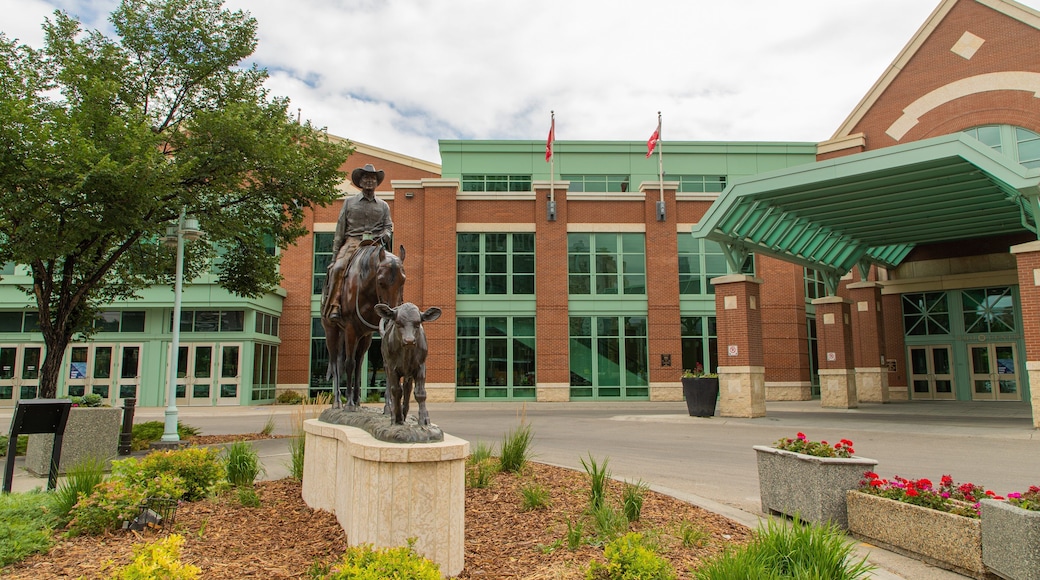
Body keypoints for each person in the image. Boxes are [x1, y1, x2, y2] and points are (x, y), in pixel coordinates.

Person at [322, 163, 394, 321]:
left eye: (373, 178)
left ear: (376, 183)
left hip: (374, 244)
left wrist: (386, 234)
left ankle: (392, 306)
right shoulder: (349, 202)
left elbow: (388, 226)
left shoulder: (383, 206)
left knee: (391, 268)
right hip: (352, 242)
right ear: (360, 182)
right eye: (366, 178)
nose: (369, 181)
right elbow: (340, 229)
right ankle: (334, 304)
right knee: (339, 268)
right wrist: (335, 257)